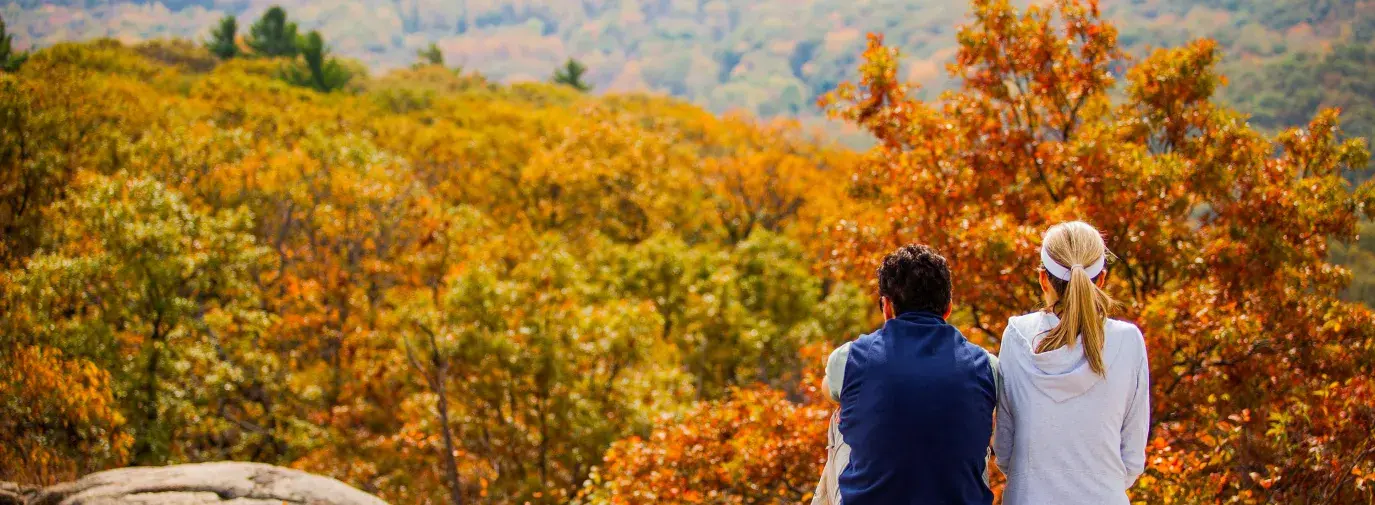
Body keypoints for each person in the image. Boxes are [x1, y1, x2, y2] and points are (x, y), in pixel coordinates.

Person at [820, 244, 997, 505]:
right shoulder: (986, 365)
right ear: (947, 309)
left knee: (840, 414)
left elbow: (827, 390)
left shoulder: (851, 358)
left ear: (887, 307)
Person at [994, 221, 1150, 505]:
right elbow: (1132, 456)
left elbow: (1004, 451)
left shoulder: (1016, 336)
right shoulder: (1128, 341)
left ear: (1043, 280)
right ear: (1101, 279)